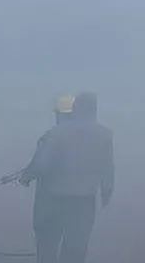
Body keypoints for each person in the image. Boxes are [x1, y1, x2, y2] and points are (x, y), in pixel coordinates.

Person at [19, 91, 114, 263]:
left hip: (51, 199)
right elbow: (107, 167)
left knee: (47, 247)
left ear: (75, 108)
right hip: (84, 201)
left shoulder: (56, 133)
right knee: (76, 249)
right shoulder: (104, 135)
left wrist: (26, 177)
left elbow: (42, 164)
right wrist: (106, 191)